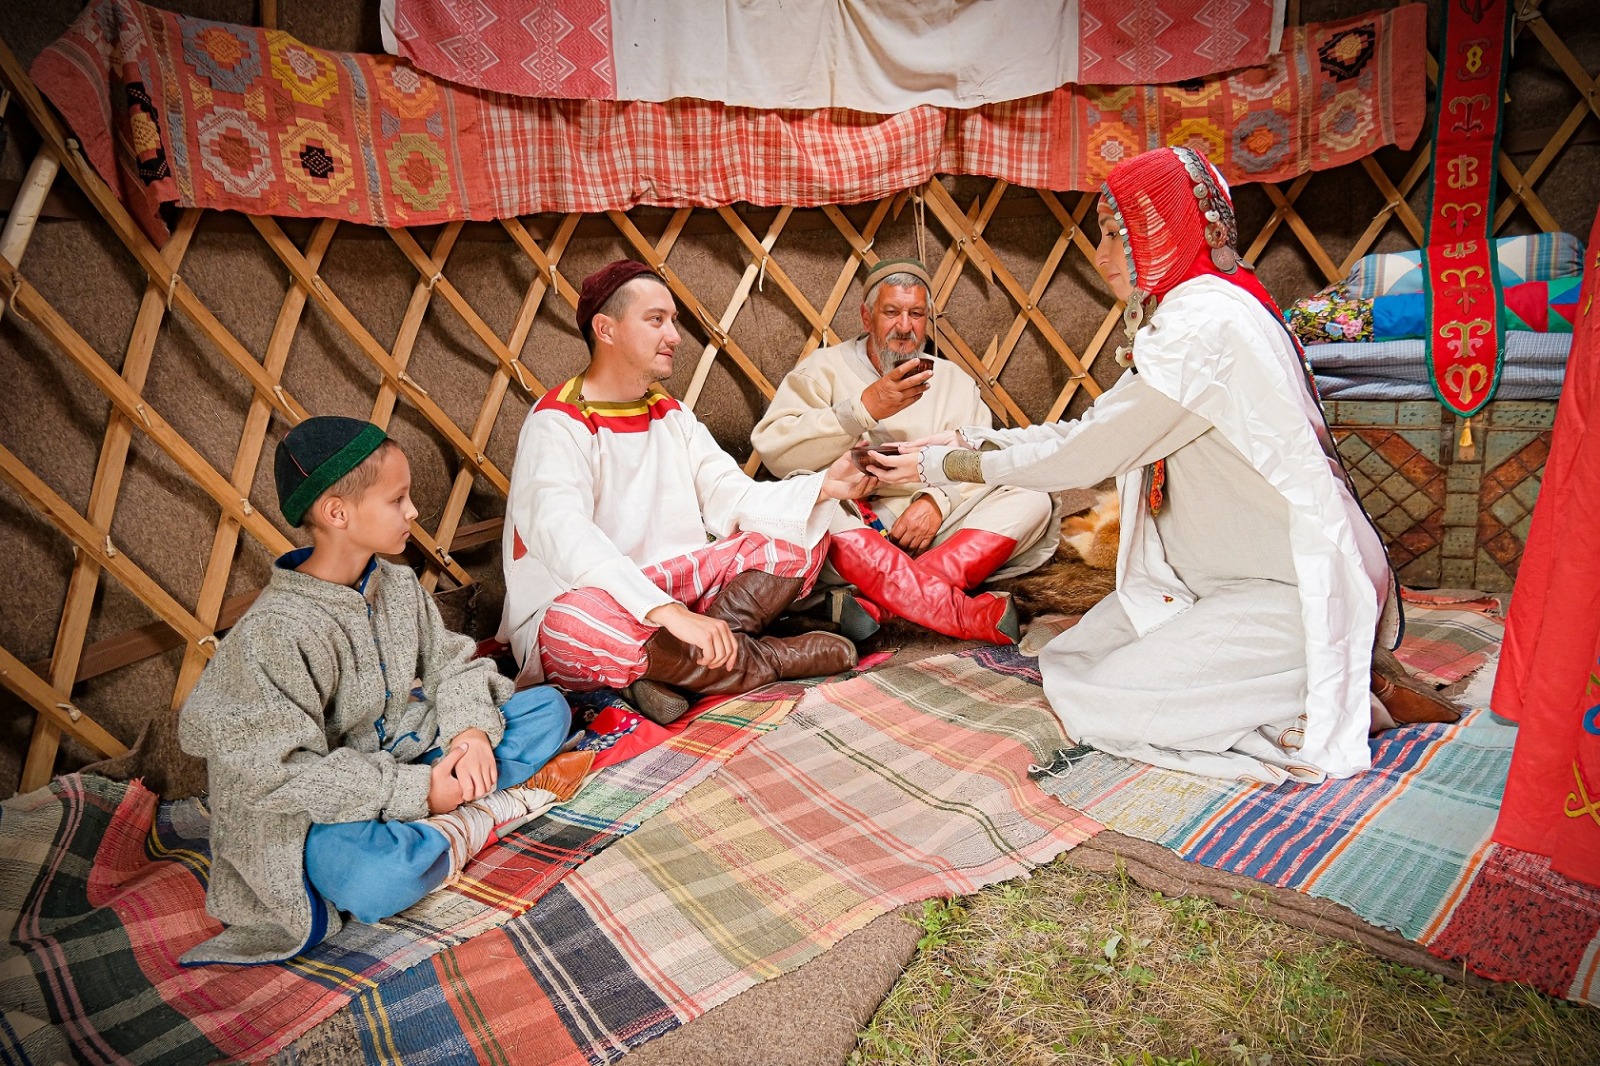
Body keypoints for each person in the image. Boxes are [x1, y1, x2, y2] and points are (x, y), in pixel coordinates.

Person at [869, 146, 1408, 784]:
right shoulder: (1198, 311)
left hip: (1286, 591)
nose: (1099, 258)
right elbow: (1091, 430)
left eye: (1114, 235)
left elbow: (1086, 453)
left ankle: (1329, 687)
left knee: (1102, 699)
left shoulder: (1204, 326)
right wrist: (952, 448)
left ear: (1162, 231)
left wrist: (946, 466)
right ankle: (1299, 678)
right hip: (1215, 582)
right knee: (1072, 656)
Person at [178, 417, 578, 965]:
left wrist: (469, 733)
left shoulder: (397, 585)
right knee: (375, 879)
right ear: (337, 513)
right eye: (398, 499)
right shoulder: (274, 633)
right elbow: (284, 774)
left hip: (412, 755)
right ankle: (468, 814)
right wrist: (419, 793)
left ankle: (447, 816)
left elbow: (452, 666)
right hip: (324, 811)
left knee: (547, 708)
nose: (414, 512)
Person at [498, 259, 872, 726]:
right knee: (570, 622)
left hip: (679, 586)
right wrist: (667, 611)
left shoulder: (670, 413)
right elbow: (565, 536)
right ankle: (764, 661)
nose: (675, 336)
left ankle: (681, 667)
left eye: (673, 321)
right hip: (599, 597)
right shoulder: (558, 422)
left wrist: (823, 487)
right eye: (656, 320)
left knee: (805, 529)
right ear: (606, 329)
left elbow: (729, 493)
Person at [749, 259, 1056, 644]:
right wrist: (862, 408)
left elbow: (981, 463)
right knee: (811, 505)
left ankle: (881, 604)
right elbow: (778, 452)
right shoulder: (823, 369)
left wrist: (937, 501)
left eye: (916, 314)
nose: (905, 326)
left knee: (1032, 497)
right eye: (891, 312)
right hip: (855, 527)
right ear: (866, 316)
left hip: (935, 529)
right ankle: (962, 613)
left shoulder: (955, 383)